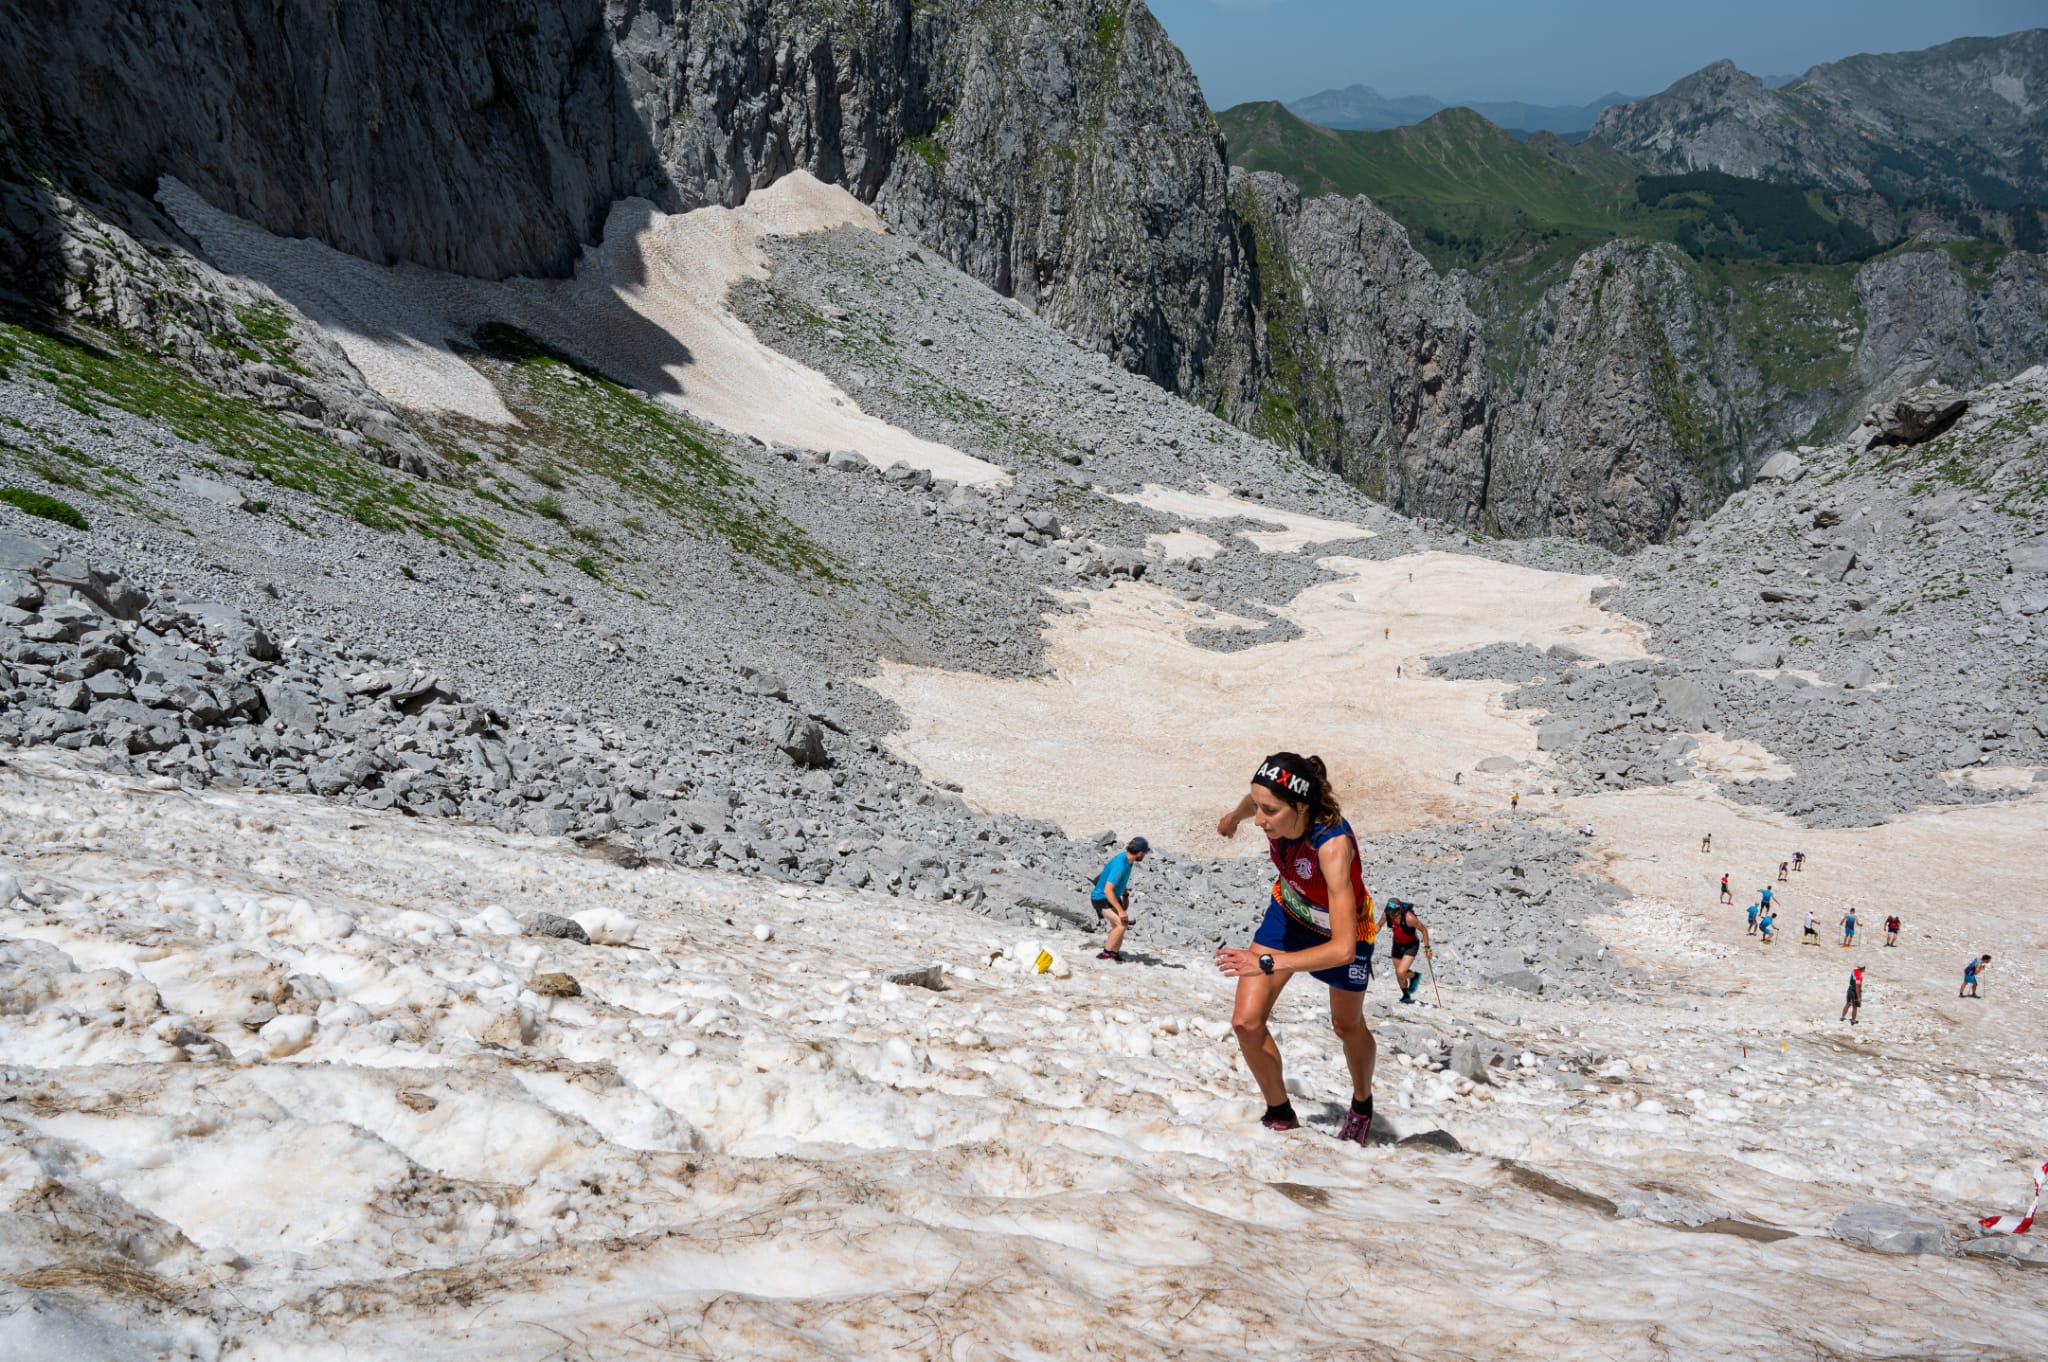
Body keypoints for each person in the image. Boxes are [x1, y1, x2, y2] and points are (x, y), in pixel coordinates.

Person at [1215, 753, 1379, 1142]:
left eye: (1270, 811)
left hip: (1342, 933)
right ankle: (1280, 1112)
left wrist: (1268, 962)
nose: (1260, 819)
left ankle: (1362, 1103)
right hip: (1289, 914)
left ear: (1302, 807)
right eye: (1258, 807)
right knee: (1245, 1022)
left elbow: (1343, 949)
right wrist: (1233, 817)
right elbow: (1252, 801)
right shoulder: (1271, 811)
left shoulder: (1332, 846)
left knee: (1346, 1025)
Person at [1088, 837, 1148, 962]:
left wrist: (1125, 895)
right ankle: (1105, 955)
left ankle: (1114, 954)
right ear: (1140, 852)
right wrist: (1120, 910)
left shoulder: (1128, 861)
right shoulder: (1120, 864)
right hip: (1101, 898)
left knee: (1121, 924)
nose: (1145, 855)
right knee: (1120, 924)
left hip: (1112, 897)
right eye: (1145, 852)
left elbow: (1119, 880)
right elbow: (1108, 889)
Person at [1382, 899, 1432, 1004]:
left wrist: (1427, 948)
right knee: (1399, 973)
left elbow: (1423, 930)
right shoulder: (1387, 915)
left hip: (1411, 945)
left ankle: (1414, 976)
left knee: (1400, 972)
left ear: (1399, 909)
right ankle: (1405, 996)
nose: (1391, 915)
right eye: (1390, 912)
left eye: (1393, 912)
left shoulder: (1410, 918)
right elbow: (1378, 925)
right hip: (1397, 944)